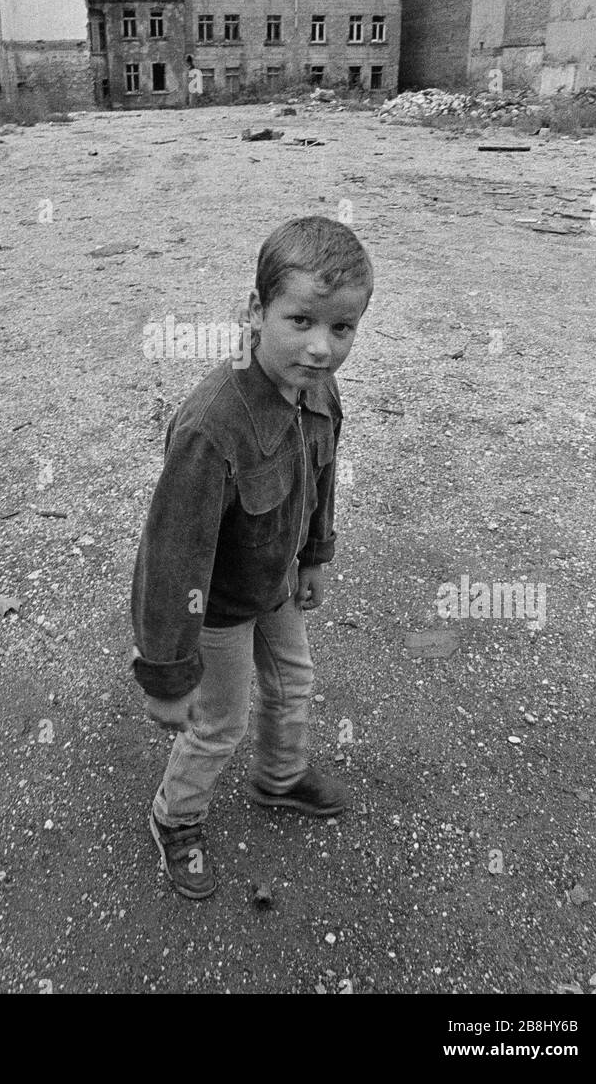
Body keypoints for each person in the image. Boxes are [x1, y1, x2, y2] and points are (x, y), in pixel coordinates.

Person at [130, 215, 373, 897]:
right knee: (219, 724)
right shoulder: (213, 425)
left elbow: (321, 477)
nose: (321, 348)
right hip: (216, 609)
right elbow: (171, 557)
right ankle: (175, 818)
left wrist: (315, 555)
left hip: (276, 587)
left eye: (342, 329)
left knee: (294, 683)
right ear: (256, 311)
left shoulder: (317, 388)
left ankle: (281, 777)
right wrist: (167, 672)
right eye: (300, 321)